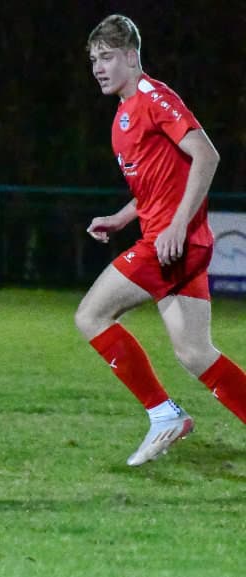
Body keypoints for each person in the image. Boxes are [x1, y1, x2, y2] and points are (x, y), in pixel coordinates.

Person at [75, 14, 246, 466]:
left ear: (132, 56)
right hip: (179, 241)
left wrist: (177, 225)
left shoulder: (154, 98)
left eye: (107, 57)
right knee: (194, 352)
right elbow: (156, 186)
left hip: (172, 243)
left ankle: (163, 414)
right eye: (93, 60)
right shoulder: (123, 115)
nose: (98, 67)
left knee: (91, 315)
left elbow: (206, 155)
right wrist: (119, 218)